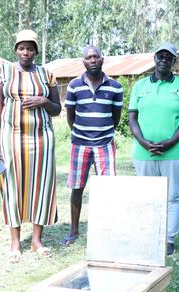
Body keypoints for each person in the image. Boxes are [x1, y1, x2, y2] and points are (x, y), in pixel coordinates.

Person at [0, 30, 61, 263]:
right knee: (12, 187)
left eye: (30, 48)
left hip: (42, 139)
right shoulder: (2, 72)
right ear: (15, 49)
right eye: (21, 48)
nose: (26, 52)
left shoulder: (46, 75)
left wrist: (45, 101)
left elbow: (57, 109)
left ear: (36, 51)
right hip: (12, 139)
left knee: (42, 186)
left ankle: (37, 240)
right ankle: (15, 242)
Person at [129, 43, 179, 256]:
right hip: (144, 152)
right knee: (147, 196)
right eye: (160, 56)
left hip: (175, 152)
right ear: (154, 59)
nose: (164, 59)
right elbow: (132, 117)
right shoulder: (140, 86)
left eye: (169, 57)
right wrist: (143, 142)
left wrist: (170, 142)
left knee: (173, 196)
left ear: (174, 61)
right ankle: (149, 235)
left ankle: (168, 238)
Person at [59, 46, 123, 246]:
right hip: (80, 144)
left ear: (102, 60)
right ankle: (74, 230)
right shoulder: (74, 86)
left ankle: (106, 229)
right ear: (83, 62)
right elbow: (70, 116)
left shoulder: (115, 87)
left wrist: (102, 133)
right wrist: (81, 133)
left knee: (108, 188)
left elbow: (116, 118)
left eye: (96, 56)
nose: (93, 60)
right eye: (89, 57)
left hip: (105, 144)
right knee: (77, 187)